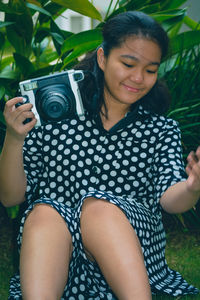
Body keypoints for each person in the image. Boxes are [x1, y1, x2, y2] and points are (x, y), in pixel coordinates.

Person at [0, 10, 200, 300]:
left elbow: (170, 198)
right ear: (103, 58)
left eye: (150, 70)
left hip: (129, 253)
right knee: (44, 212)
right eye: (128, 63)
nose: (138, 78)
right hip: (56, 256)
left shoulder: (160, 129)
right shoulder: (54, 116)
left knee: (98, 208)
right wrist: (15, 138)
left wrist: (193, 187)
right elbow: (9, 197)